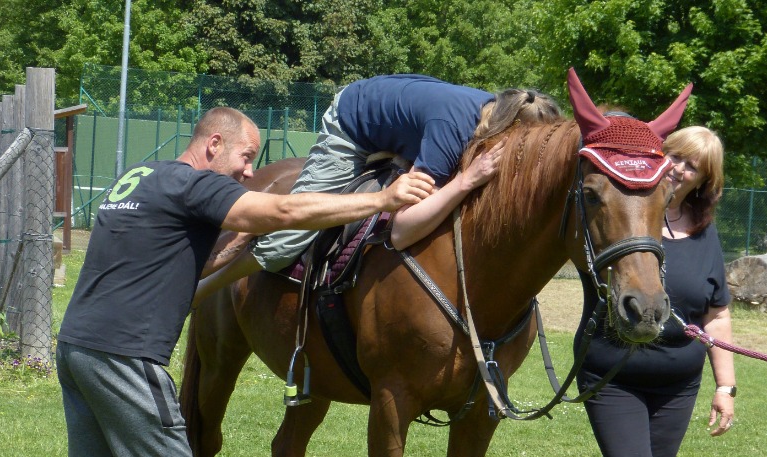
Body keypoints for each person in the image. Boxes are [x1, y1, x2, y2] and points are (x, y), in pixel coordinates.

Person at [55, 107, 433, 457]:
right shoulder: (193, 185)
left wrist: (237, 254)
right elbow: (283, 209)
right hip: (128, 354)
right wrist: (383, 200)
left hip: (79, 342)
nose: (248, 172)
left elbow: (185, 254)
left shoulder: (137, 179)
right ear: (212, 144)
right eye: (245, 157)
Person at [193, 74, 561, 303]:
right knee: (285, 244)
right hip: (353, 122)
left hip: (391, 117)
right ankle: (199, 293)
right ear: (506, 132)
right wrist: (465, 181)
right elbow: (401, 231)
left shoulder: (492, 111)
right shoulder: (452, 130)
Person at [577, 125, 736, 457]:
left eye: (694, 166)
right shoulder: (623, 212)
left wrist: (724, 385)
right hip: (612, 372)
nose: (681, 169)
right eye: (676, 157)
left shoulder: (706, 234)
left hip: (678, 382)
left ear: (703, 181)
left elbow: (717, 315)